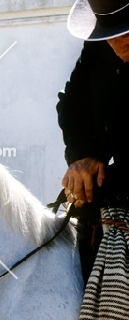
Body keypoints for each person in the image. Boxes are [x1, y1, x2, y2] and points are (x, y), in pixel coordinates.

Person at [56, 0, 129, 318]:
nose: (116, 43)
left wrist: (106, 177)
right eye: (109, 33)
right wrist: (82, 159)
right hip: (112, 196)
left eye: (124, 31)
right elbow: (71, 105)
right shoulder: (100, 45)